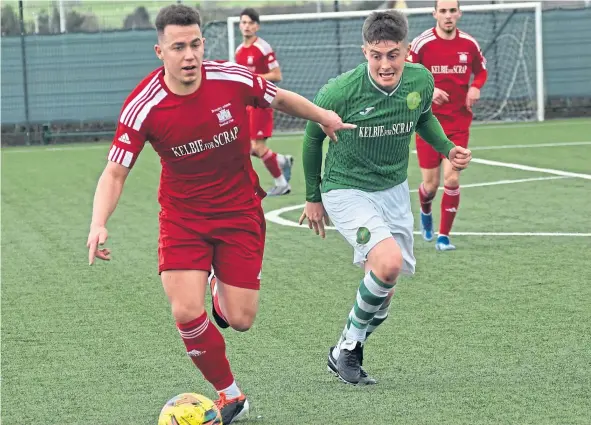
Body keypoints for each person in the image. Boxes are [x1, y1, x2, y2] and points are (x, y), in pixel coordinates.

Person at [86, 4, 353, 423]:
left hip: (239, 211)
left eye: (195, 44)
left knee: (241, 320)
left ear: (203, 44)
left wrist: (323, 116)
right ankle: (231, 395)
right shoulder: (144, 104)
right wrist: (98, 222)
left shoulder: (231, 77)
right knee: (184, 311)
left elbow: (278, 96)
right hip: (183, 218)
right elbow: (115, 172)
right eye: (178, 47)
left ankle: (218, 289)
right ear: (160, 51)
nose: (189, 55)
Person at [299, 10, 472, 385]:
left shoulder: (421, 80)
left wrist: (446, 149)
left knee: (383, 296)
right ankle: (348, 349)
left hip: (393, 189)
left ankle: (345, 347)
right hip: (346, 189)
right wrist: (313, 197)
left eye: (393, 54)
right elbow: (313, 140)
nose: (385, 64)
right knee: (388, 263)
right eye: (377, 55)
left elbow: (422, 116)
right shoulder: (340, 91)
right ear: (365, 52)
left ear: (407, 51)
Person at [407, 0, 487, 250]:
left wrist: (475, 87)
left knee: (452, 180)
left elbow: (481, 71)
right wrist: (429, 91)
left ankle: (444, 236)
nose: (448, 15)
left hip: (459, 124)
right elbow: (406, 75)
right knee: (430, 186)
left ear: (459, 14)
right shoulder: (422, 43)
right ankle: (426, 209)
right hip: (428, 124)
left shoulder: (469, 44)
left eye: (453, 10)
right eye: (443, 11)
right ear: (435, 14)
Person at [235, 7, 294, 196]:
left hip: (262, 103)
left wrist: (253, 79)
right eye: (243, 22)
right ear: (239, 26)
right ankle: (281, 160)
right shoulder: (238, 51)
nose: (247, 26)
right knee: (245, 147)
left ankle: (282, 183)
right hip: (247, 105)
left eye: (250, 23)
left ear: (257, 26)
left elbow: (277, 75)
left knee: (258, 147)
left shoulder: (263, 47)